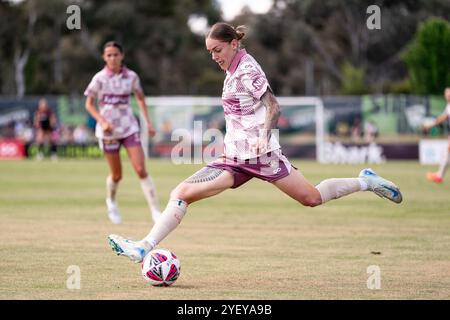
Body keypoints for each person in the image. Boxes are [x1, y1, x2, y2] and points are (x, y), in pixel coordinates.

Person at [108, 23, 403, 263]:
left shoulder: (248, 69)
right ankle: (143, 247)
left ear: (234, 44)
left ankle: (365, 181)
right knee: (181, 193)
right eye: (210, 52)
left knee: (311, 198)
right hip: (234, 158)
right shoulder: (231, 71)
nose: (214, 56)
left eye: (218, 50)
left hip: (263, 157)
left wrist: (262, 137)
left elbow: (273, 106)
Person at [84, 41, 161, 224]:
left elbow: (140, 99)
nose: (112, 58)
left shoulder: (132, 77)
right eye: (108, 55)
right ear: (104, 57)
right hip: (108, 132)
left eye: (115, 54)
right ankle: (111, 201)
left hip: (129, 128)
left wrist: (148, 123)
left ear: (122, 56)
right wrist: (102, 121)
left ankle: (156, 211)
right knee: (117, 175)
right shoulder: (99, 78)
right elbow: (88, 104)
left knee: (141, 169)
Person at [424, 87, 450, 183]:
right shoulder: (448, 106)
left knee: (446, 153)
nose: (448, 96)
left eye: (449, 94)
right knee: (446, 153)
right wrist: (430, 125)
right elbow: (442, 118)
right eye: (447, 94)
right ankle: (439, 175)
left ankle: (439, 175)